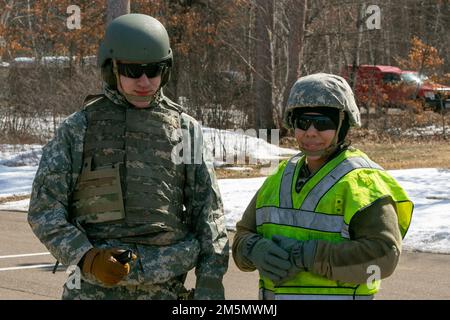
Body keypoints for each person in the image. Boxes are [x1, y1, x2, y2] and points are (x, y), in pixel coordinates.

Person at [28, 13, 229, 300]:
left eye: (154, 70)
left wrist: (211, 280)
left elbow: (208, 214)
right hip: (94, 288)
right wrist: (86, 257)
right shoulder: (79, 128)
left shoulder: (185, 129)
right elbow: (44, 209)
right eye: (133, 71)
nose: (145, 81)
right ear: (111, 69)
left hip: (166, 287)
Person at [232, 73, 413, 300]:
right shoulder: (278, 178)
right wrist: (253, 249)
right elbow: (242, 237)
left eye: (323, 123)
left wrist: (310, 256)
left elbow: (384, 256)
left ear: (343, 125)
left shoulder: (362, 183)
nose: (310, 132)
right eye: (302, 122)